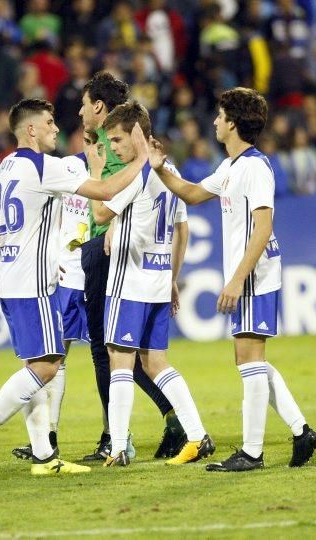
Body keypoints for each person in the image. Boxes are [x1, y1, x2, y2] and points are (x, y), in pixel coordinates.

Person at [0, 98, 150, 478]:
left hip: (13, 278)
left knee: (36, 366)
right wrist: (143, 161)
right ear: (31, 130)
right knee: (47, 367)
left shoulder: (4, 168)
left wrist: (17, 250)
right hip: (33, 285)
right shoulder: (43, 168)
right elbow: (107, 189)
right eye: (49, 123)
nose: (56, 129)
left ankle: (44, 457)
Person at [149, 87, 316, 472]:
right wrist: (159, 166)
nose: (213, 121)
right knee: (250, 360)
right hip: (248, 276)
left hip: (256, 276)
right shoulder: (231, 167)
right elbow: (192, 194)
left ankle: (253, 452)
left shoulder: (256, 168)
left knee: (249, 361)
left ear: (232, 123)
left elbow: (263, 227)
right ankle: (300, 430)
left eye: (219, 115)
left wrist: (236, 279)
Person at [92, 102, 214, 467]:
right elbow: (182, 228)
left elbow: (99, 213)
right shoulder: (167, 168)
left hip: (130, 282)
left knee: (119, 361)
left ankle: (116, 447)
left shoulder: (137, 171)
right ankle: (197, 436)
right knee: (156, 362)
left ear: (136, 134)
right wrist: (173, 279)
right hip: (159, 279)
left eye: (116, 139)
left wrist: (99, 171)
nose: (113, 147)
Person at [78, 71, 186, 462]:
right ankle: (176, 421)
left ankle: (119, 437)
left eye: (84, 104)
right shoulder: (153, 157)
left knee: (108, 349)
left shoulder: (115, 150)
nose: (79, 112)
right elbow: (181, 223)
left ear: (99, 107)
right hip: (139, 259)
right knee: (136, 353)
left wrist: (92, 172)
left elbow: (103, 205)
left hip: (110, 254)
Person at [10, 131, 95, 461]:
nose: (87, 141)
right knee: (55, 359)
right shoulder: (66, 166)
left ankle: (115, 437)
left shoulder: (115, 169)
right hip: (67, 277)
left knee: (117, 359)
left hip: (101, 276)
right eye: (86, 136)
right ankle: (48, 436)